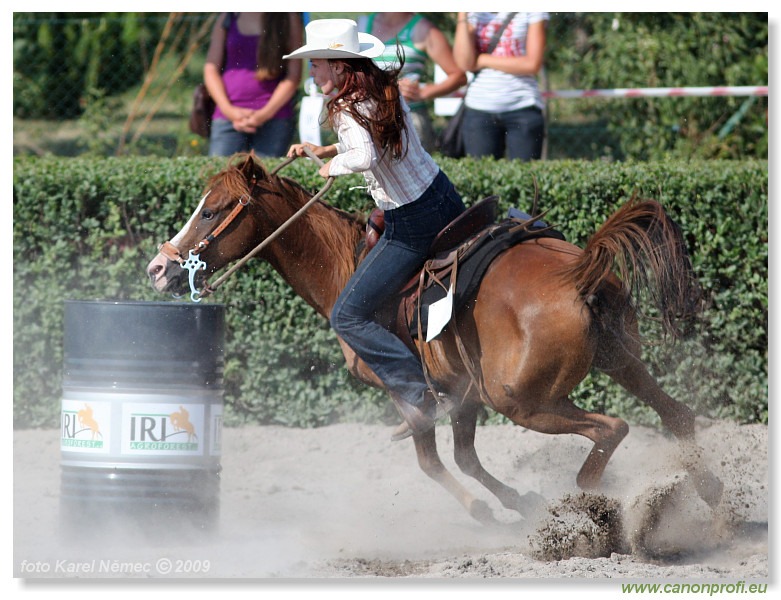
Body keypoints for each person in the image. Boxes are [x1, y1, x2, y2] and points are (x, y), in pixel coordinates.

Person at [284, 19, 466, 437]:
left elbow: (364, 154)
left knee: (347, 316)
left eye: (316, 65)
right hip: (443, 197)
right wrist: (324, 148)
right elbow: (374, 140)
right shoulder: (383, 90)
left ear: (337, 66)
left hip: (412, 221)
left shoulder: (346, 109)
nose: (312, 73)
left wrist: (334, 163)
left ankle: (419, 395)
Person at [358, 13, 467, 152]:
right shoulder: (362, 24)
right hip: (365, 116)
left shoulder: (424, 29)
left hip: (407, 118)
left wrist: (423, 92)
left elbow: (459, 76)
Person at [204, 13, 304, 157]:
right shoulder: (228, 15)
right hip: (227, 118)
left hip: (275, 119)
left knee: (267, 177)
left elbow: (294, 75)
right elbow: (210, 69)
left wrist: (263, 115)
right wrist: (229, 110)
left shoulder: (288, 16)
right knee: (222, 175)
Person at [453, 12, 549, 160]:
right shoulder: (472, 13)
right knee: (480, 177)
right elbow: (465, 63)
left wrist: (484, 60)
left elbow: (532, 64)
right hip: (479, 108)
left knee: (527, 178)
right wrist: (462, 14)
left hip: (523, 106)